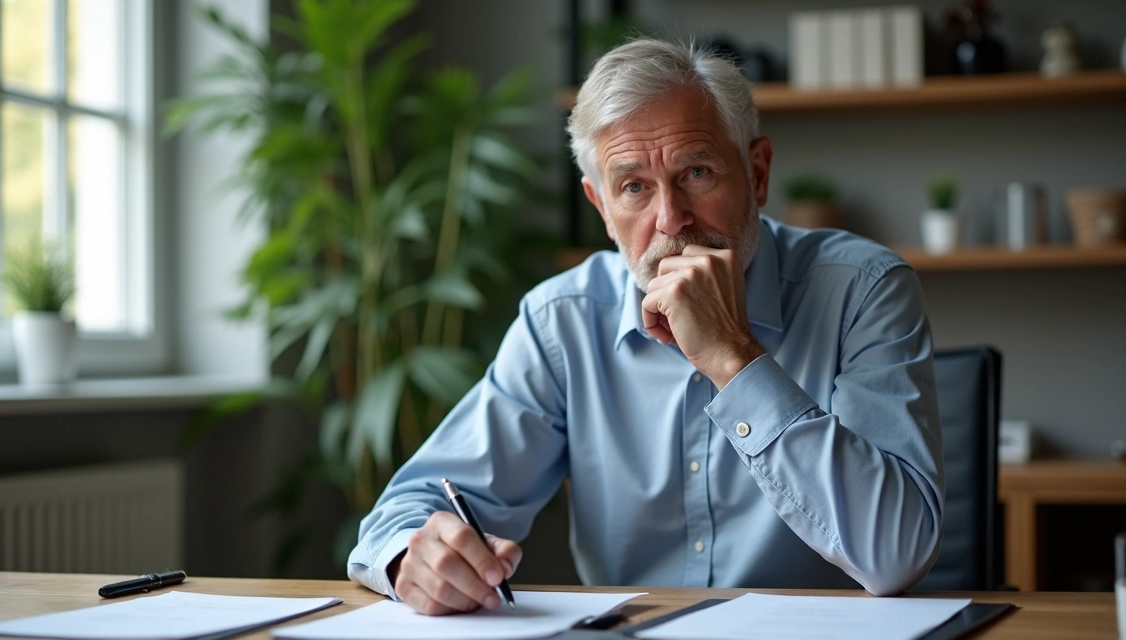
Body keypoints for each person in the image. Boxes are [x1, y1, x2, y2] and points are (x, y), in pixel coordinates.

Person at [347, 38, 944, 615]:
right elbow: (404, 514)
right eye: (634, 187)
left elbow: (898, 554)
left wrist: (734, 358)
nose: (671, 220)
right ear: (602, 208)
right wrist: (415, 559)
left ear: (757, 174)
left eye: (697, 173)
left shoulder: (863, 290)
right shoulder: (563, 321)